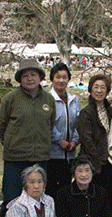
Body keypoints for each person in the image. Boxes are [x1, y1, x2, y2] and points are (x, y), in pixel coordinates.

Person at [0, 58, 55, 217]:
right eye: (25, 75)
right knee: (11, 200)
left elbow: (51, 125)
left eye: (33, 74)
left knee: (38, 200)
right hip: (15, 158)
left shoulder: (48, 99)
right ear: (20, 78)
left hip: (40, 158)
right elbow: (1, 127)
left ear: (40, 77)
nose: (30, 78)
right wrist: (12, 144)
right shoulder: (10, 98)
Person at [77, 74, 112, 202]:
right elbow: (86, 139)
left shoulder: (110, 111)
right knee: (93, 198)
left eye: (103, 87)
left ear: (107, 91)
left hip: (107, 162)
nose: (99, 91)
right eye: (96, 87)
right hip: (92, 163)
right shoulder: (86, 112)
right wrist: (98, 160)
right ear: (90, 89)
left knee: (106, 198)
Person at [46, 63, 80, 197]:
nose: (61, 80)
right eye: (58, 77)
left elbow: (79, 122)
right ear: (52, 79)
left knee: (66, 190)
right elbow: (47, 123)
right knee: (51, 190)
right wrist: (60, 141)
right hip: (52, 154)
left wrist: (75, 141)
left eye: (64, 77)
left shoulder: (74, 100)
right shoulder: (47, 99)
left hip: (70, 154)